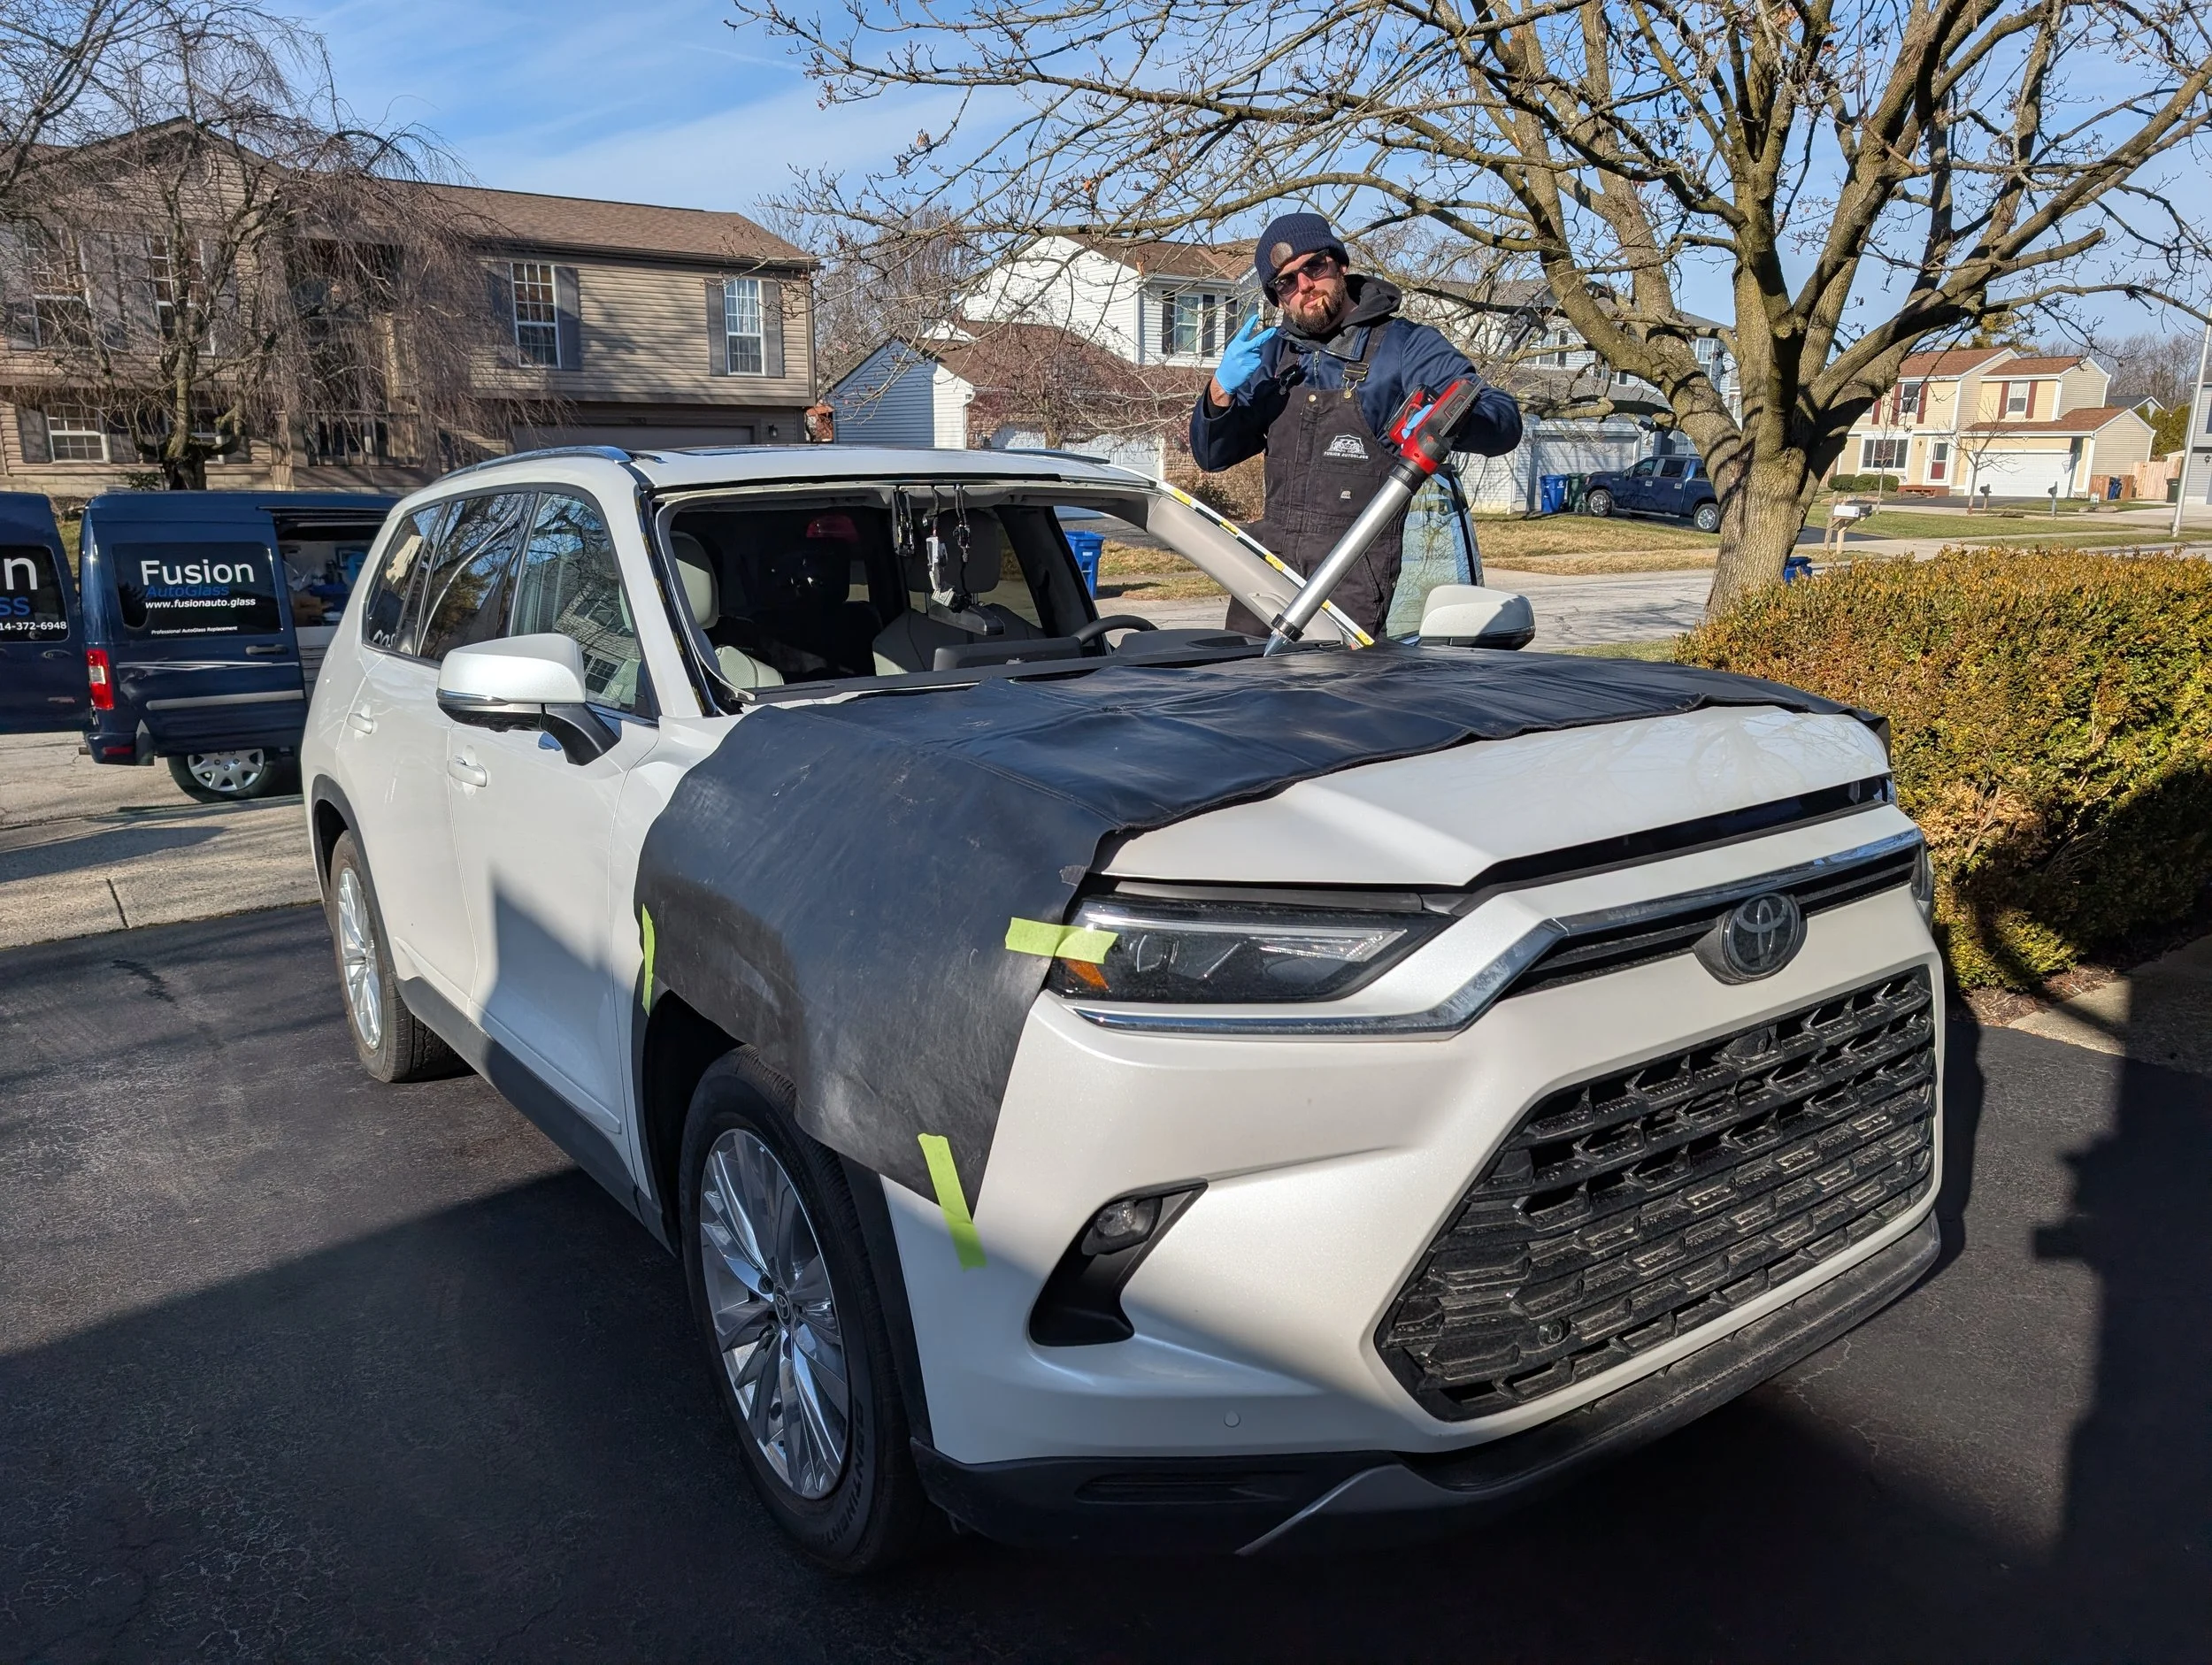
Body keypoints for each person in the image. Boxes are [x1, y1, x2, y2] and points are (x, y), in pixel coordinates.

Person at [1189, 211, 1522, 637]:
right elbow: (1212, 455)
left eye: (1313, 267)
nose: (1303, 286)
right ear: (1277, 299)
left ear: (1339, 264)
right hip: (1266, 577)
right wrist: (1220, 390)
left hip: (1354, 577)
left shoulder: (1404, 347)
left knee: (1339, 699)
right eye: (1285, 283)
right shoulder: (1272, 359)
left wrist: (1449, 420)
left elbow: (1504, 419)